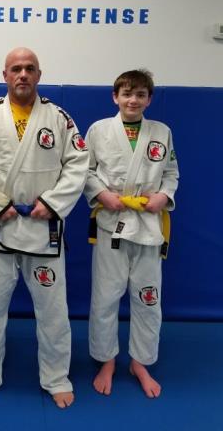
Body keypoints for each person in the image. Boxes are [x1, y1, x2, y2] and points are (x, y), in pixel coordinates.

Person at [0, 47, 89, 408]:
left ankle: (56, 377)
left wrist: (53, 202)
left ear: (39, 75)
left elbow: (79, 163)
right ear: (4, 75)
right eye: (16, 68)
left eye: (29, 68)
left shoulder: (59, 118)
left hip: (43, 228)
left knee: (53, 312)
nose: (23, 74)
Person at [84, 69, 179, 398]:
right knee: (105, 297)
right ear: (115, 97)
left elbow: (171, 172)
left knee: (148, 297)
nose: (133, 100)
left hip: (149, 226)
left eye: (140, 94)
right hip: (112, 223)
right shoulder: (99, 130)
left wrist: (164, 196)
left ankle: (140, 362)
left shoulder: (162, 132)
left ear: (149, 99)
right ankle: (107, 360)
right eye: (127, 94)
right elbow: (86, 171)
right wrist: (102, 194)